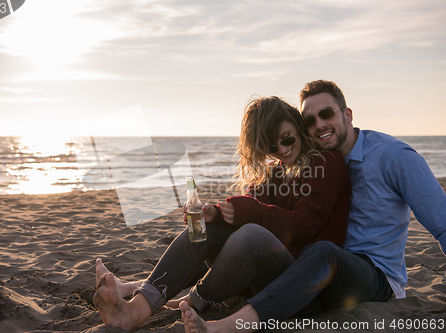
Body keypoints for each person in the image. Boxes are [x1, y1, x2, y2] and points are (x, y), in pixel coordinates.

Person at [180, 80, 446, 333]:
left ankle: (230, 326)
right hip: (314, 274)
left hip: (372, 275)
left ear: (348, 114)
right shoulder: (313, 164)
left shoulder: (393, 156)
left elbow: (442, 223)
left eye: (327, 113)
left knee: (323, 252)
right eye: (309, 120)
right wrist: (216, 210)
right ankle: (155, 294)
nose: (319, 125)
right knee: (231, 235)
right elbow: (259, 201)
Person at [92, 96, 351, 331]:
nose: (282, 150)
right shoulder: (275, 171)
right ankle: (135, 310)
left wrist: (249, 211)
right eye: (271, 147)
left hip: (302, 288)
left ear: (297, 127)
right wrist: (213, 213)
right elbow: (249, 207)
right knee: (205, 231)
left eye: (287, 138)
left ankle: (189, 300)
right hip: (262, 280)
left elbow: (304, 225)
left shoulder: (325, 163)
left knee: (250, 235)